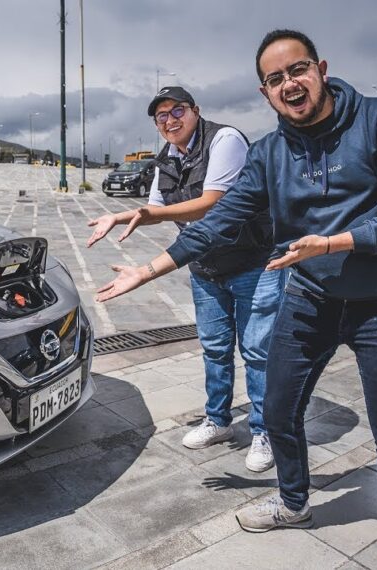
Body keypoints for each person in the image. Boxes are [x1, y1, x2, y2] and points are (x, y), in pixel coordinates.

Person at [95, 29, 377, 544]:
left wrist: (337, 242)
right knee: (276, 409)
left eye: (297, 70)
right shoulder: (271, 152)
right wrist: (149, 269)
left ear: (320, 68)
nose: (288, 84)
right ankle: (293, 501)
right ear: (265, 92)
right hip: (310, 296)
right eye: (275, 79)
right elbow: (219, 219)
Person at [88, 87, 281, 472]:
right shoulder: (166, 160)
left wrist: (144, 235)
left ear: (195, 111)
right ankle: (219, 420)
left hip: (251, 263)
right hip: (206, 268)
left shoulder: (224, 140)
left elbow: (214, 202)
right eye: (161, 116)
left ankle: (266, 431)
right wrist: (120, 216)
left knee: (258, 352)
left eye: (177, 111)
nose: (170, 120)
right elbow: (156, 208)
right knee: (213, 348)